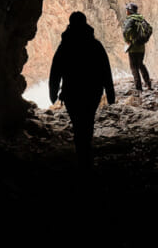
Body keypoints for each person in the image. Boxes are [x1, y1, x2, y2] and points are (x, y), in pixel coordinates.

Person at [49, 11, 116, 171]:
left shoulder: (65, 45)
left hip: (71, 92)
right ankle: (86, 154)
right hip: (92, 91)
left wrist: (53, 93)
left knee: (78, 124)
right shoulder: (95, 45)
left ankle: (82, 157)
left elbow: (55, 70)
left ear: (70, 23)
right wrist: (110, 93)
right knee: (87, 121)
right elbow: (105, 69)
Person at [122, 2, 153, 93]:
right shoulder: (141, 19)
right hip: (141, 46)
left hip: (133, 47)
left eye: (127, 9)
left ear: (129, 11)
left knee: (133, 67)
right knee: (141, 65)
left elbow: (126, 31)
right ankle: (148, 84)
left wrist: (127, 40)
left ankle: (138, 87)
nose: (126, 11)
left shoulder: (130, 20)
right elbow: (149, 29)